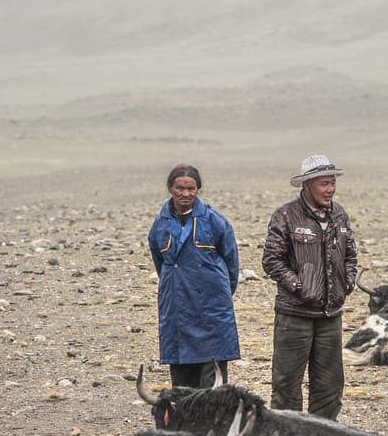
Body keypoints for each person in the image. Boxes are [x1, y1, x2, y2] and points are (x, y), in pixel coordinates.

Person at [262, 154, 358, 420]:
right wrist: (299, 286)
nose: (330, 189)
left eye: (333, 183)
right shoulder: (286, 215)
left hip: (330, 316)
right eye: (324, 184)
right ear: (307, 184)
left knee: (329, 386)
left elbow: (350, 254)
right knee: (287, 386)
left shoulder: (339, 214)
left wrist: (347, 281)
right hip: (294, 316)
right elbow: (271, 261)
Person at [148, 164, 240, 388]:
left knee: (213, 385)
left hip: (211, 313)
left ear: (198, 189)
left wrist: (216, 293)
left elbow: (231, 264)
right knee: (182, 384)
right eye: (180, 188)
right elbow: (162, 265)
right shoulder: (160, 225)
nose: (186, 194)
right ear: (170, 188)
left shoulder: (214, 221)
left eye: (191, 188)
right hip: (177, 311)